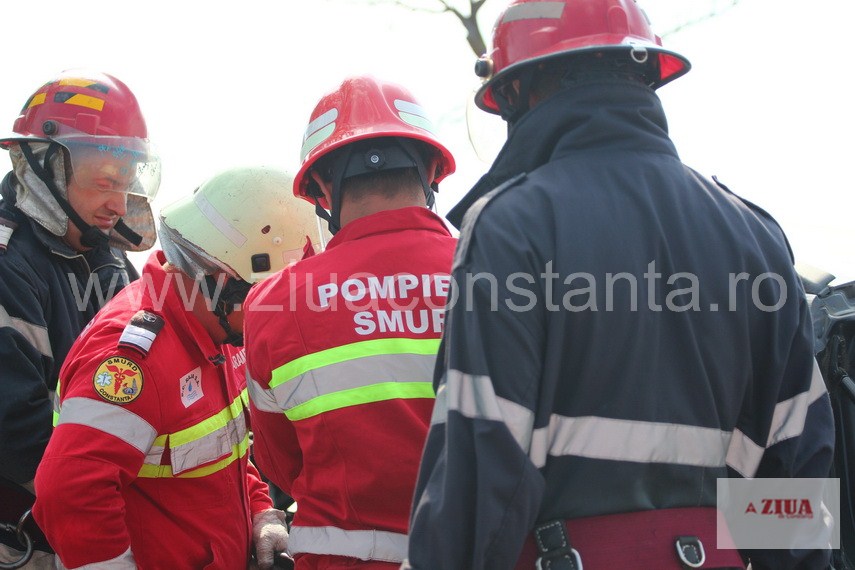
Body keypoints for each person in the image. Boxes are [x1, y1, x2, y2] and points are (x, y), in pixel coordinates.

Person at [403, 1, 836, 569]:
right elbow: (795, 468)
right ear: (647, 76)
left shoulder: (510, 226)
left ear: (519, 91)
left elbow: (484, 469)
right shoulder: (753, 233)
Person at [32, 166, 323, 569]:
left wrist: (260, 511)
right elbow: (68, 494)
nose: (281, 313)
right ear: (224, 282)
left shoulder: (219, 337)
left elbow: (223, 452)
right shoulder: (133, 360)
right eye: (273, 296)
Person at [244, 75, 457, 569]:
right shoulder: (502, 272)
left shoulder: (272, 302)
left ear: (321, 189)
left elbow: (279, 462)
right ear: (432, 170)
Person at [0, 69, 159, 567]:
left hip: (98, 518)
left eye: (127, 183)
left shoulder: (107, 255)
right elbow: (16, 427)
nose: (119, 204)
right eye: (104, 182)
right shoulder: (8, 265)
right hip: (29, 544)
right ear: (41, 168)